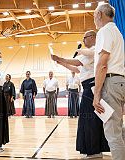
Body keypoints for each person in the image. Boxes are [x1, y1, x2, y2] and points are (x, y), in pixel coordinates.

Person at [51, 30, 109, 158]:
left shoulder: (94, 50)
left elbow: (77, 62)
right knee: (91, 119)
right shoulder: (88, 54)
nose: (83, 40)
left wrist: (60, 58)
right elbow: (77, 69)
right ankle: (96, 148)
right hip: (88, 87)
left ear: (93, 37)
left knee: (90, 119)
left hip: (91, 88)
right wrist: (61, 62)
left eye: (85, 37)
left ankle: (93, 150)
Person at [93, 3, 125, 160]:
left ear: (99, 15)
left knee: (113, 133)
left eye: (94, 16)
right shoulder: (117, 32)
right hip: (120, 81)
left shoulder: (104, 31)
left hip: (110, 83)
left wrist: (96, 94)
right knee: (119, 131)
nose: (94, 20)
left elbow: (103, 64)